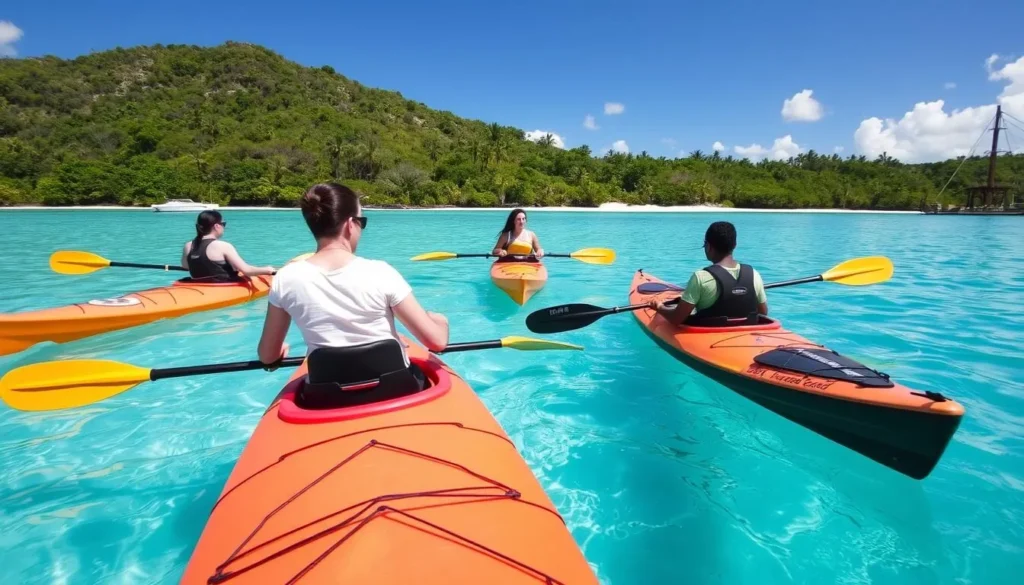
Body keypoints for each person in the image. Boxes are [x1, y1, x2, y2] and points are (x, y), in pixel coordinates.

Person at [257, 182, 449, 390]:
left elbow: (268, 356)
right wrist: (440, 321)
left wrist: (278, 353)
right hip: (395, 387)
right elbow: (436, 341)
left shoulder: (286, 278)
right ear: (350, 224)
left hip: (326, 394)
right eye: (362, 221)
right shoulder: (381, 272)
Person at [648, 221, 768, 327]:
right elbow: (763, 313)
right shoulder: (754, 274)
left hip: (709, 337)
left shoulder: (700, 277)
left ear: (708, 246)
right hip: (745, 335)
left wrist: (659, 307)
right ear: (734, 245)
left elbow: (676, 319)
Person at [181, 210, 275, 282]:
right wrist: (267, 270)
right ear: (217, 226)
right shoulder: (222, 246)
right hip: (222, 286)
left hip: (197, 284)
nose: (224, 227)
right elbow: (247, 271)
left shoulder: (188, 245)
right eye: (223, 224)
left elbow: (186, 266)